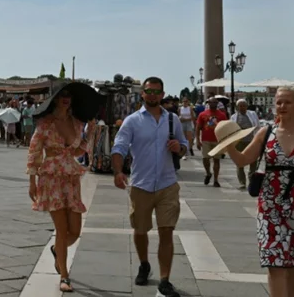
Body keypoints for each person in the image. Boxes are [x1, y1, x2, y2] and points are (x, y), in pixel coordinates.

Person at [222, 87, 294, 297]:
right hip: (270, 204)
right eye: (279, 102)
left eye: (287, 102)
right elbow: (243, 160)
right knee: (274, 261)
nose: (282, 106)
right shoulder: (265, 132)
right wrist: (228, 144)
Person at [111, 77, 188, 297]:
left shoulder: (172, 120)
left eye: (157, 91)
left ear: (163, 94)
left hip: (167, 183)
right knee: (140, 230)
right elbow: (119, 147)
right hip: (141, 185)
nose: (152, 95)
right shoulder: (132, 121)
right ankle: (144, 264)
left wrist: (179, 148)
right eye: (148, 91)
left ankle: (165, 280)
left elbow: (184, 147)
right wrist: (118, 172)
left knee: (166, 231)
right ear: (142, 94)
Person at [27, 86, 96, 293]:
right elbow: (34, 151)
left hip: (71, 178)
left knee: (75, 231)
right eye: (62, 96)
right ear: (55, 99)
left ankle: (58, 250)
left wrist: (89, 135)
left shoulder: (76, 123)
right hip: (51, 178)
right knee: (61, 229)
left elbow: (75, 150)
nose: (66, 99)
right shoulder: (45, 124)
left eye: (69, 96)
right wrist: (32, 180)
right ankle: (64, 275)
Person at [195, 97, 228, 187]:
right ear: (208, 103)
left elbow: (225, 128)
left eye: (215, 102)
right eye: (211, 102)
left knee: (216, 160)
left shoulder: (222, 115)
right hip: (206, 139)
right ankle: (208, 173)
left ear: (217, 103)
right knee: (205, 158)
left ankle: (216, 180)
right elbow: (198, 128)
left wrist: (225, 141)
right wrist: (198, 140)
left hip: (217, 140)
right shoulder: (202, 114)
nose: (213, 103)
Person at [230, 99, 260, 190]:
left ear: (246, 106)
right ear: (237, 107)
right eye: (240, 106)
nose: (242, 107)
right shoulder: (233, 117)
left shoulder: (252, 114)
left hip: (251, 141)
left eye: (244, 105)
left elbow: (257, 126)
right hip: (239, 142)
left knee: (253, 162)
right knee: (239, 163)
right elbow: (231, 129)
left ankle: (251, 180)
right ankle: (242, 182)